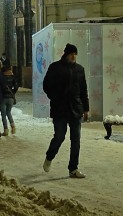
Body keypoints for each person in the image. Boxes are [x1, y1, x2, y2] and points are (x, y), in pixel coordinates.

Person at [42, 43, 89, 179]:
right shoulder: (55, 67)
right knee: (59, 136)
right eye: (71, 54)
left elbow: (83, 90)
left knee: (76, 140)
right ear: (66, 54)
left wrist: (86, 108)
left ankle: (73, 168)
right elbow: (46, 85)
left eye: (75, 54)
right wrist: (55, 97)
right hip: (60, 108)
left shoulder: (80, 69)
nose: (74, 56)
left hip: (76, 109)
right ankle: (49, 157)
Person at [0, 59, 18, 135]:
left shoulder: (1, 77)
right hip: (10, 97)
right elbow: (16, 86)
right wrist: (13, 92)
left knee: (3, 114)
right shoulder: (13, 77)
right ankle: (13, 126)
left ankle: (6, 129)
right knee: (8, 112)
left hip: (3, 97)